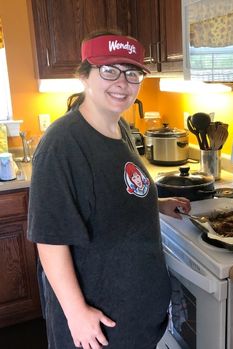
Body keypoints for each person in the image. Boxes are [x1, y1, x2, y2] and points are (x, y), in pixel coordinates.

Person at [27, 31, 191, 349]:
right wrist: (76, 313)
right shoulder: (63, 143)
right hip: (100, 326)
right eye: (109, 70)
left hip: (136, 317)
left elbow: (118, 188)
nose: (122, 82)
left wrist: (158, 201)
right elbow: (49, 238)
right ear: (84, 75)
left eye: (132, 73)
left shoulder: (120, 128)